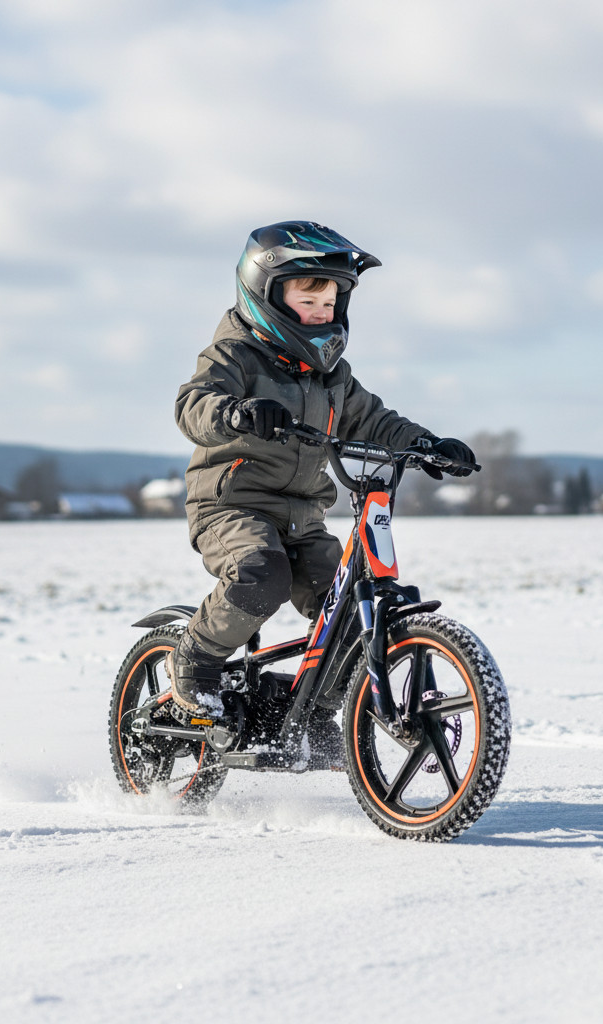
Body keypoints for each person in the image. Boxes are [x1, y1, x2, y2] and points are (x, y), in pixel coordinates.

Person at [169, 221, 475, 740]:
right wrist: (238, 412)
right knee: (261, 576)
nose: (322, 313)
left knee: (349, 609)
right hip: (231, 506)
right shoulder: (233, 354)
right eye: (308, 301)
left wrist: (427, 444)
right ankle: (195, 659)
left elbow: (375, 420)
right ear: (266, 295)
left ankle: (309, 716)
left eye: (330, 303)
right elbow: (193, 404)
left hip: (303, 516)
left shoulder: (333, 376)